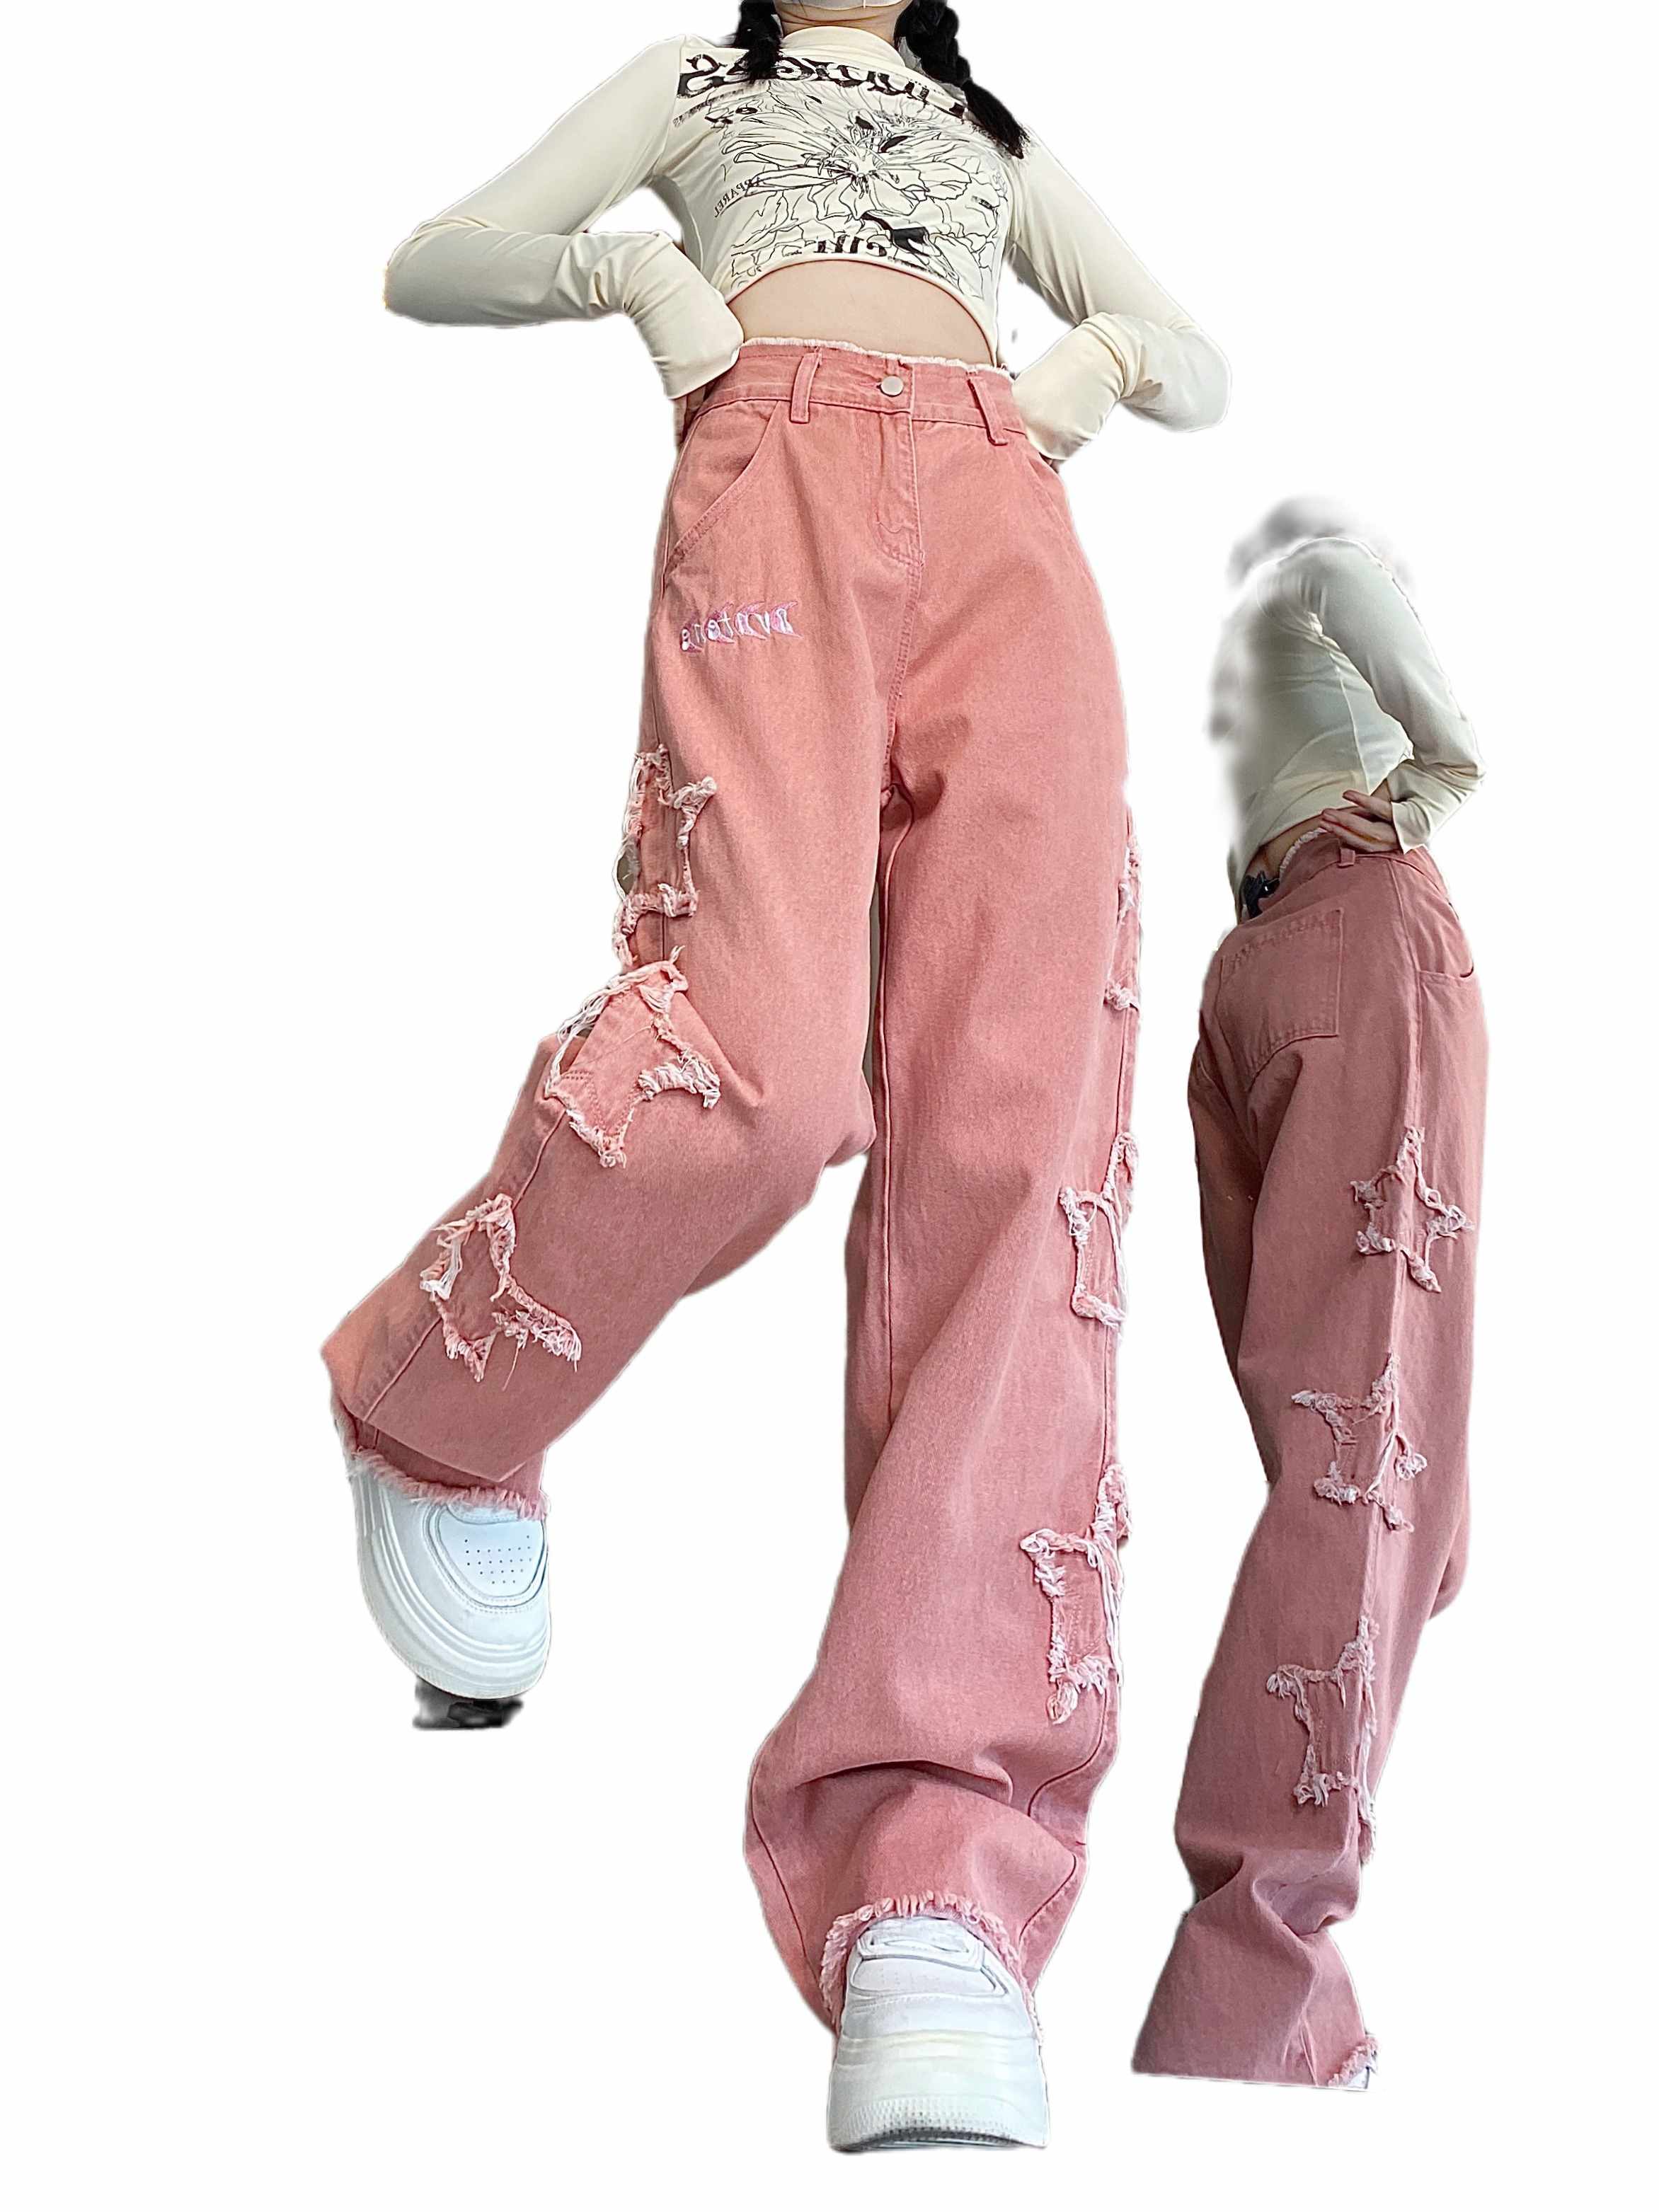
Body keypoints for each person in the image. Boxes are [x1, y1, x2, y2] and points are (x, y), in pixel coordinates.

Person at [326, 1, 1225, 2148]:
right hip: (776, 487)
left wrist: (1078, 378)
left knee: (1024, 1136)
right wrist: (647, 286)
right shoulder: (699, 87)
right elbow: (436, 256)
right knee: (754, 1058)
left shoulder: (987, 129)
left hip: (1010, 531)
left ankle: (940, 1863)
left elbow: (1194, 353)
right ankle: (445, 1401)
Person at [1133, 497, 1486, 2089]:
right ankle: (1276, 1999)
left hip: (1341, 936)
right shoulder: (1296, 599)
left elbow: (1453, 754)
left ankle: (1258, 1979)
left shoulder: (1315, 586)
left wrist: (1394, 814)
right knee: (1336, 1449)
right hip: (1267, 968)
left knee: (1353, 1456)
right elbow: (1435, 747)